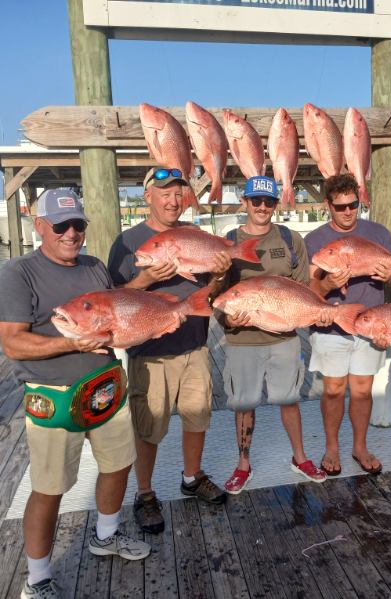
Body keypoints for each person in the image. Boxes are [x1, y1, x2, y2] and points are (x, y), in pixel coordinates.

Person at [0, 189, 150, 599]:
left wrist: (150, 285)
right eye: (61, 225)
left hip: (107, 386)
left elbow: (120, 307)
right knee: (49, 486)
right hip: (55, 396)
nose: (71, 233)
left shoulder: (95, 267)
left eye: (78, 224)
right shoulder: (18, 273)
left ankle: (107, 534)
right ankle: (38, 577)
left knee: (118, 465)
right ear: (38, 225)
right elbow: (13, 343)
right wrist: (72, 344)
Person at [107, 167, 228, 536]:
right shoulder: (128, 242)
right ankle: (144, 494)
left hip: (194, 344)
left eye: (179, 193)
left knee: (197, 416)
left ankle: (191, 477)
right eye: (165, 193)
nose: (173, 200)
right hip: (150, 350)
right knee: (149, 426)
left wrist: (221, 273)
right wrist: (146, 279)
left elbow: (211, 289)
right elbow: (113, 300)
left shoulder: (196, 236)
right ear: (148, 197)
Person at [220, 176, 327, 494]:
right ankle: (242, 465)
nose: (262, 207)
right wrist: (227, 316)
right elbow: (218, 292)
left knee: (289, 399)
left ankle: (300, 457)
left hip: (283, 337)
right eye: (256, 201)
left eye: (269, 202)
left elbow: (301, 288)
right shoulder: (229, 240)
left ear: (276, 205)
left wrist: (312, 313)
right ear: (245, 202)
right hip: (242, 339)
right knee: (244, 403)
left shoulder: (291, 239)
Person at [305, 173, 391, 476]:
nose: (348, 212)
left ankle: (359, 446)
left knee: (362, 388)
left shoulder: (380, 233)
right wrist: (328, 283)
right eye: (340, 206)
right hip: (330, 326)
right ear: (327, 205)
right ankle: (332, 448)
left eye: (353, 205)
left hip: (369, 325)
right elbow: (310, 291)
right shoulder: (315, 240)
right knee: (333, 389)